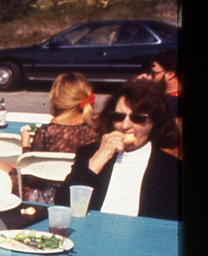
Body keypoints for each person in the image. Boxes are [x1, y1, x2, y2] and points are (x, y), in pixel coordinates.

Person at [56, 79, 180, 220]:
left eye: (137, 118)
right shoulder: (90, 153)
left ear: (155, 122)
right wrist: (98, 160)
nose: (125, 126)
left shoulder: (171, 168)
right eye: (119, 117)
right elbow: (62, 203)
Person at [18, 72, 100, 203]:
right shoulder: (97, 130)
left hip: (45, 197)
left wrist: (25, 146)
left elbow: (30, 174)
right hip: (82, 195)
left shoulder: (45, 131)